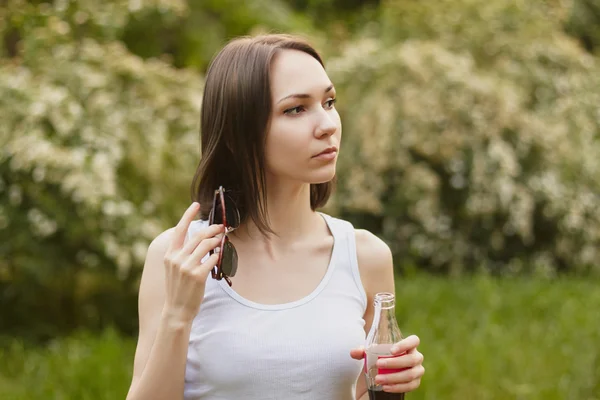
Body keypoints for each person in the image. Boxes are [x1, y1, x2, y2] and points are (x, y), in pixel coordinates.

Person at [125, 34, 425, 400]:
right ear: (239, 133)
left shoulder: (365, 256)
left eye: (329, 102)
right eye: (295, 109)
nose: (327, 124)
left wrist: (393, 385)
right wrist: (177, 315)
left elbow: (365, 394)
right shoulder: (179, 258)